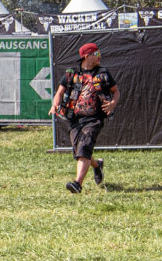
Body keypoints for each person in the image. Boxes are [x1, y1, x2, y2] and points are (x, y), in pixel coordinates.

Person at [50, 43, 120, 194]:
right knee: (80, 151)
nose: (100, 56)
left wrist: (112, 104)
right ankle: (97, 166)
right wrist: (55, 105)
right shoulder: (72, 73)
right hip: (75, 119)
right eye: (97, 53)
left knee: (84, 147)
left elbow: (116, 92)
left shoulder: (103, 73)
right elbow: (60, 92)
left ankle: (77, 184)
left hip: (94, 118)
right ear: (87, 56)